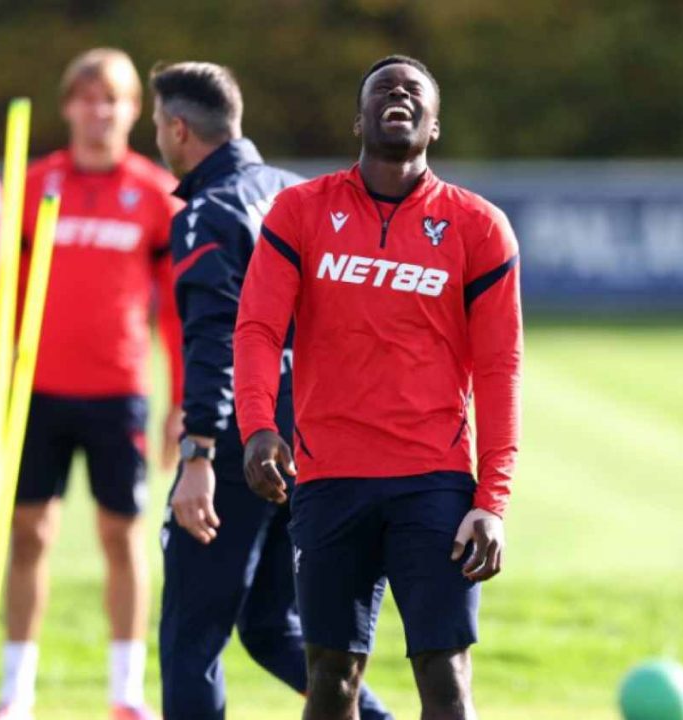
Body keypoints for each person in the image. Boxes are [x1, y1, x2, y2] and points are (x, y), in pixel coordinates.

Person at [235, 54, 523, 720]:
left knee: (444, 675)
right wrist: (257, 427)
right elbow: (256, 330)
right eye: (382, 88)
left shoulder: (477, 226)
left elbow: (500, 367)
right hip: (329, 478)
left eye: (413, 89)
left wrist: (493, 499)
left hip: (434, 483)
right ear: (358, 118)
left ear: (434, 124)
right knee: (331, 677)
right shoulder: (299, 211)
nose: (398, 92)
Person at [151, 61, 391, 720]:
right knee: (270, 626)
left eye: (156, 126)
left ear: (178, 129)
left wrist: (196, 453)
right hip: (316, 440)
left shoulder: (207, 212)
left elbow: (213, 339)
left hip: (240, 445)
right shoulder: (298, 194)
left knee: (190, 639)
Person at [0, 48, 184, 720]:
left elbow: (175, 312)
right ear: (68, 106)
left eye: (113, 100)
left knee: (122, 534)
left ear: (135, 111)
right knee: (28, 534)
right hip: (34, 392)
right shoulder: (33, 182)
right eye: (87, 98)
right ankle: (15, 692)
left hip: (117, 392)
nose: (99, 111)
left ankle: (125, 693)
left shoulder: (155, 194)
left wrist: (182, 402)